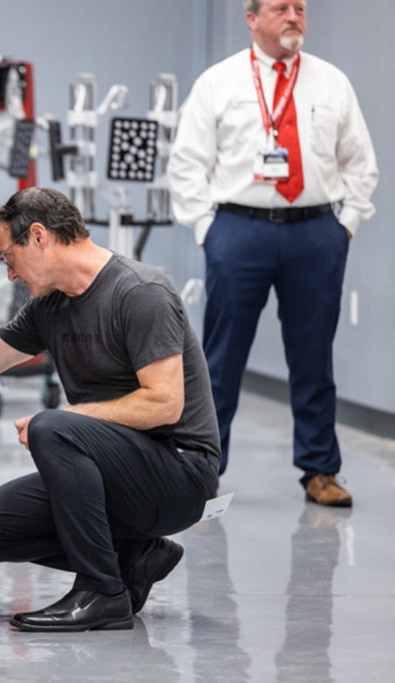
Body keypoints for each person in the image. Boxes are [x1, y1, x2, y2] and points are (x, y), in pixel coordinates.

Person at [0, 187, 220, 632]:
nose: (9, 274)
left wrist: (67, 422)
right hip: (113, 471)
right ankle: (136, 555)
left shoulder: (140, 291)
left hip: (178, 473)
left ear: (38, 236)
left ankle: (102, 592)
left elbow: (165, 404)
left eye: (7, 257)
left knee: (53, 427)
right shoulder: (48, 309)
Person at [167, 0, 378, 507]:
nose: (294, 16)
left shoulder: (331, 82)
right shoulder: (219, 83)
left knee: (313, 358)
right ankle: (203, 473)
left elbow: (360, 164)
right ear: (252, 18)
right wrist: (208, 231)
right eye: (281, 8)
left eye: (300, 8)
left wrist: (344, 226)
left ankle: (320, 470)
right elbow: (187, 163)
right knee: (220, 360)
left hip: (315, 232)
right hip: (239, 229)